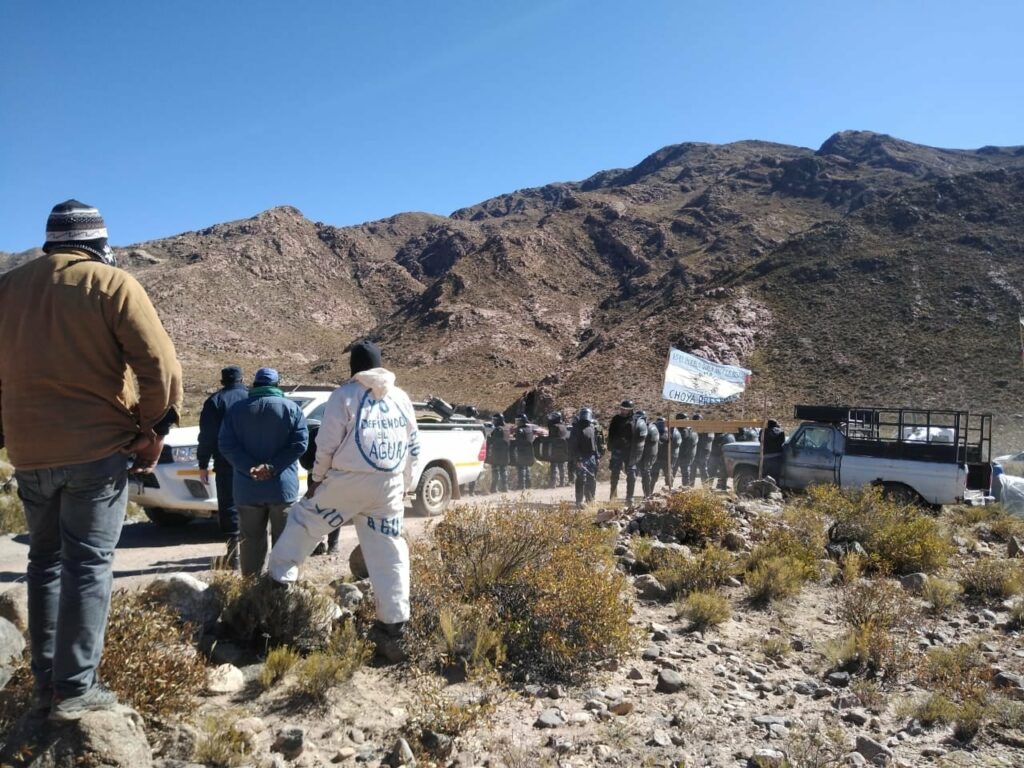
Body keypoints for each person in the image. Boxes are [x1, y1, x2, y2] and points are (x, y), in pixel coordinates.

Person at [0, 199, 182, 720]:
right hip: (97, 452)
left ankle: (45, 681)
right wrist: (155, 429)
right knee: (87, 565)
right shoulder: (111, 283)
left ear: (50, 242)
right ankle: (75, 689)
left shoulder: (8, 289)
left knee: (45, 561)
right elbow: (160, 365)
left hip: (30, 454)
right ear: (99, 244)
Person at [268, 340, 420, 662]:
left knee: (304, 522)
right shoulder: (401, 398)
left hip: (349, 480)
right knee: (388, 551)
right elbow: (413, 445)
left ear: (354, 368)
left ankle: (279, 584)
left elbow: (325, 444)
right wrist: (406, 484)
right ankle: (393, 626)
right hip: (389, 484)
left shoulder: (344, 396)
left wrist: (318, 479)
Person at [218, 368, 308, 577]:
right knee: (285, 541)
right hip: (282, 488)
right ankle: (281, 588)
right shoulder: (291, 408)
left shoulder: (236, 410)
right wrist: (272, 467)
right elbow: (299, 444)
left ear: (255, 385)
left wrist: (249, 467)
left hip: (247, 488)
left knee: (250, 541)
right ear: (277, 385)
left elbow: (226, 445)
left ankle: (251, 588)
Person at [197, 366, 249, 568]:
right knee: (253, 505)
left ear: (222, 381)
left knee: (228, 505)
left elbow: (207, 437)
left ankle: (233, 556)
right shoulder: (251, 396)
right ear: (242, 379)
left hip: (225, 461)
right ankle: (253, 552)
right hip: (251, 460)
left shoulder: (214, 401)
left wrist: (203, 463)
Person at [570, 408, 602, 506]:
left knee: (591, 479)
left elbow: (595, 443)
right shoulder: (576, 429)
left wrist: (597, 457)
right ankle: (579, 501)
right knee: (581, 479)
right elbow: (573, 446)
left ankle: (590, 499)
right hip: (581, 457)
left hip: (591, 457)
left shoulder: (592, 427)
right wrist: (578, 459)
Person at [607, 400, 634, 500]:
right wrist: (610, 446)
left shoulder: (633, 420)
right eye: (622, 409)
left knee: (631, 474)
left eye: (625, 410)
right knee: (614, 473)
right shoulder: (616, 419)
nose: (623, 411)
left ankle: (629, 497)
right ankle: (613, 495)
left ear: (630, 410)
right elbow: (611, 433)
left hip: (629, 451)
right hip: (617, 449)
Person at [625, 408, 648, 505]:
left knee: (633, 475)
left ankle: (630, 498)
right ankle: (647, 496)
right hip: (638, 454)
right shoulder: (645, 426)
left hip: (634, 454)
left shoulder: (631, 426)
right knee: (643, 475)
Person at [485, 414, 511, 493]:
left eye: (495, 420)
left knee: (495, 471)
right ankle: (505, 488)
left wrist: (486, 436)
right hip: (505, 453)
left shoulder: (498, 429)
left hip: (497, 452)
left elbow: (492, 440)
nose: (493, 421)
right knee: (503, 470)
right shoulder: (506, 428)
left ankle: (493, 488)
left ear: (498, 420)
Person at [546, 412, 570, 488]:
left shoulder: (554, 427)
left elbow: (550, 438)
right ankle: (562, 483)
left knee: (554, 466)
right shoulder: (563, 426)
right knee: (562, 466)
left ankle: (553, 484)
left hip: (555, 449)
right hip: (563, 450)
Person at [512, 415, 536, 490]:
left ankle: (521, 486)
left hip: (522, 451)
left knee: (521, 468)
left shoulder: (520, 430)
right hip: (529, 451)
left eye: (518, 420)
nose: (517, 422)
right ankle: (528, 485)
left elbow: (518, 441)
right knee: (526, 467)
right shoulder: (529, 428)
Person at [675, 413, 698, 486]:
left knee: (685, 473)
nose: (687, 421)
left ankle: (686, 489)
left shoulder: (689, 430)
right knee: (673, 473)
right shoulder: (688, 430)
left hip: (684, 455)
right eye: (685, 420)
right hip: (679, 455)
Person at [640, 414, 659, 497]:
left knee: (646, 475)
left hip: (646, 454)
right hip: (651, 454)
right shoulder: (653, 427)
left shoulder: (647, 428)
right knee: (646, 475)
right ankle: (647, 494)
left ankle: (647, 495)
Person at [693, 414, 714, 486]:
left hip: (703, 452)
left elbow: (709, 440)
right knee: (693, 469)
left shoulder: (708, 430)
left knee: (703, 469)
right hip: (695, 452)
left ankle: (706, 487)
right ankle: (689, 487)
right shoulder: (693, 430)